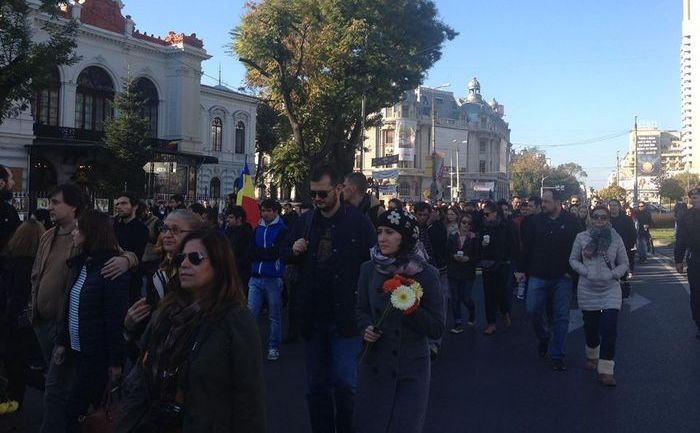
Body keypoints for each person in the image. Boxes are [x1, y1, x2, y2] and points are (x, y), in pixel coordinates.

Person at [116, 230, 267, 433]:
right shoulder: (167, 312)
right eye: (181, 258)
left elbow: (249, 398)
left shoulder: (235, 320)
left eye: (195, 258)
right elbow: (141, 377)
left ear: (219, 265)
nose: (184, 265)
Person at [31, 184, 136, 433]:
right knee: (58, 387)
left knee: (58, 392)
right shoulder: (49, 235)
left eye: (56, 203)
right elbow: (37, 273)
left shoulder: (88, 238)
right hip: (46, 325)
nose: (50, 208)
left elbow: (123, 256)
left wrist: (127, 260)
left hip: (73, 333)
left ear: (73, 206)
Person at [281, 164, 375, 433]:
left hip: (346, 317)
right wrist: (294, 249)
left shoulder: (359, 223)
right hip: (313, 317)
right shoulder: (306, 221)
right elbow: (284, 250)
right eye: (314, 195)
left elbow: (372, 263)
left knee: (346, 383)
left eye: (323, 194)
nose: (318, 199)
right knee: (316, 386)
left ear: (338, 190)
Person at [354, 209, 444, 433]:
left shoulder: (427, 274)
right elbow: (361, 310)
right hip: (375, 364)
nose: (382, 238)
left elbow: (436, 328)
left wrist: (410, 306)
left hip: (410, 367)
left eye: (390, 232)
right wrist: (365, 328)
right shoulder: (368, 269)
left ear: (405, 236)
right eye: (380, 232)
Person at [53, 210, 131, 432]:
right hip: (78, 349)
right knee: (83, 410)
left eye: (79, 229)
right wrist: (63, 341)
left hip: (97, 355)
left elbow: (114, 318)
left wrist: (116, 361)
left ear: (92, 233)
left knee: (75, 409)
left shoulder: (110, 268)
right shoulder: (82, 263)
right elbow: (73, 307)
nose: (74, 233)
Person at [516, 189, 579, 370]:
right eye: (542, 201)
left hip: (563, 278)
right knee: (532, 310)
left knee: (561, 317)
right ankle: (544, 337)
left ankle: (556, 354)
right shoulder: (534, 222)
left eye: (546, 201)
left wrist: (572, 271)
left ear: (557, 202)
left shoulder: (572, 222)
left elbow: (579, 247)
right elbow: (526, 247)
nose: (542, 205)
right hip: (538, 275)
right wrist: (521, 270)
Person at [569, 206, 629, 386]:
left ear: (608, 219)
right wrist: (585, 271)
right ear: (591, 218)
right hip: (587, 288)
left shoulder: (616, 238)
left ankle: (606, 370)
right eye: (596, 217)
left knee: (610, 329)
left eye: (603, 217)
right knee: (591, 328)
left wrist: (613, 274)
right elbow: (573, 260)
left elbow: (624, 263)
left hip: (610, 288)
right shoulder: (581, 237)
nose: (600, 220)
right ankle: (592, 355)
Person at [123, 210, 203, 343]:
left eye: (175, 230)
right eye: (164, 229)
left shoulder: (200, 274)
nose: (167, 235)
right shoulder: (157, 273)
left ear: (194, 235)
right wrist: (130, 326)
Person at [0, 220, 45, 410]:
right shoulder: (37, 262)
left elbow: (14, 294)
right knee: (21, 360)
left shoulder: (14, 261)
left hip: (11, 318)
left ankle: (13, 398)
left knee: (13, 361)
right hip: (29, 318)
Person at [248, 199, 288, 361]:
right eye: (262, 210)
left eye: (268, 210)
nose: (264, 213)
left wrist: (261, 254)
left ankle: (273, 346)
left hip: (273, 277)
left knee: (274, 315)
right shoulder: (257, 228)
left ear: (275, 212)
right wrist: (263, 253)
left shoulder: (282, 230)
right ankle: (249, 346)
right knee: (251, 314)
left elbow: (276, 252)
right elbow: (251, 251)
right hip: (255, 276)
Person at [413, 201, 448, 359]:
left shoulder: (436, 228)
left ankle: (434, 343)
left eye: (425, 215)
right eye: (419, 214)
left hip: (437, 269)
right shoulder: (410, 230)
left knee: (437, 305)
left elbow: (442, 245)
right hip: (415, 272)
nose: (421, 218)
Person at [479, 202, 517, 335]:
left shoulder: (506, 226)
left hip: (502, 264)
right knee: (488, 294)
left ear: (495, 213)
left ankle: (505, 310)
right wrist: (482, 244)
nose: (485, 216)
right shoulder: (484, 227)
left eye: (487, 214)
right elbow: (478, 242)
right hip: (487, 263)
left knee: (501, 291)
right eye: (484, 214)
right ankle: (491, 323)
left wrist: (507, 258)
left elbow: (513, 244)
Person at [447, 213, 480, 332]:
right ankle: (458, 322)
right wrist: (453, 256)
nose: (466, 225)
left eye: (469, 223)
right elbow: (446, 252)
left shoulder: (474, 238)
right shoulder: (452, 236)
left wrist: (469, 259)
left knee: (466, 297)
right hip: (454, 270)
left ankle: (472, 311)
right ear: (459, 223)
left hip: (468, 272)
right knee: (455, 298)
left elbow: (477, 255)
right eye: (464, 222)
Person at [675, 187, 700, 340]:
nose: (695, 199)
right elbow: (681, 239)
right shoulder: (686, 216)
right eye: (693, 197)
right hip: (696, 258)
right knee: (697, 294)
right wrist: (678, 259)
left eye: (698, 196)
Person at [609, 199, 636, 296]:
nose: (612, 207)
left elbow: (632, 233)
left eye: (615, 205)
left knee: (622, 271)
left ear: (619, 206)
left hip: (624, 248)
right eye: (611, 205)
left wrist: (631, 245)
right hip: (609, 250)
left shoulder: (626, 219)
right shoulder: (605, 219)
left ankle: (623, 289)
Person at [225, 205, 254, 290]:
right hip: (229, 270)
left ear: (239, 219)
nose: (228, 220)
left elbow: (247, 253)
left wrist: (237, 263)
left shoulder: (247, 233)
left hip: (242, 272)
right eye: (228, 217)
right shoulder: (228, 231)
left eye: (231, 217)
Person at [0, 163, 20, 254]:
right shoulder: (7, 210)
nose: (13, 183)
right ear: (1, 183)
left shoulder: (8, 209)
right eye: (11, 178)